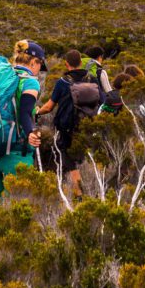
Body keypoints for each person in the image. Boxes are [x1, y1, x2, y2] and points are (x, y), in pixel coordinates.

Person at [0, 40, 45, 194]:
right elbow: (25, 112)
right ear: (34, 62)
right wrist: (30, 133)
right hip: (16, 154)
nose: (40, 69)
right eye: (40, 64)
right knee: (18, 204)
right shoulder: (30, 82)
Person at [36, 49, 99, 197]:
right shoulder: (92, 79)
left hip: (67, 128)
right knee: (86, 158)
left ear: (66, 64)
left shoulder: (63, 82)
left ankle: (79, 195)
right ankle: (94, 188)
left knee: (70, 162)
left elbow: (49, 107)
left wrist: (37, 111)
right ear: (80, 63)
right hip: (89, 126)